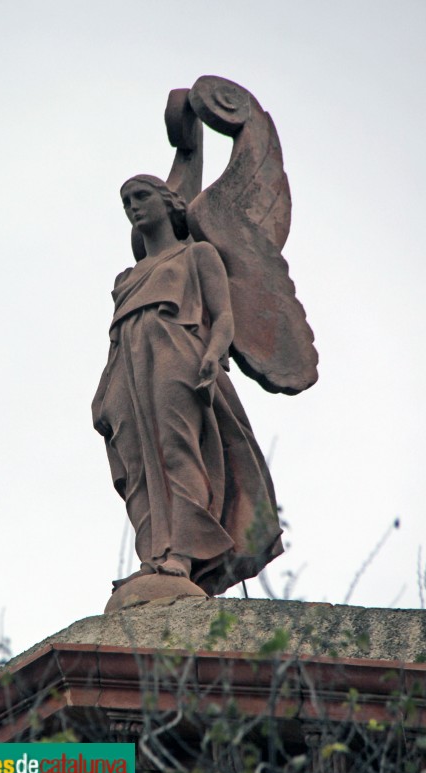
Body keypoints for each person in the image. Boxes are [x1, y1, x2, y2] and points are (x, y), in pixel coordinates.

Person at [92, 175, 283, 596]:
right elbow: (116, 337)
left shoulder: (197, 255)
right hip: (129, 363)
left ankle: (182, 552)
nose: (133, 206)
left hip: (178, 351)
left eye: (142, 196)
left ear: (167, 203)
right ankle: (153, 556)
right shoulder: (128, 278)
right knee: (139, 461)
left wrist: (214, 351)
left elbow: (224, 315)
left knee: (177, 448)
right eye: (126, 201)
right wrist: (104, 388)